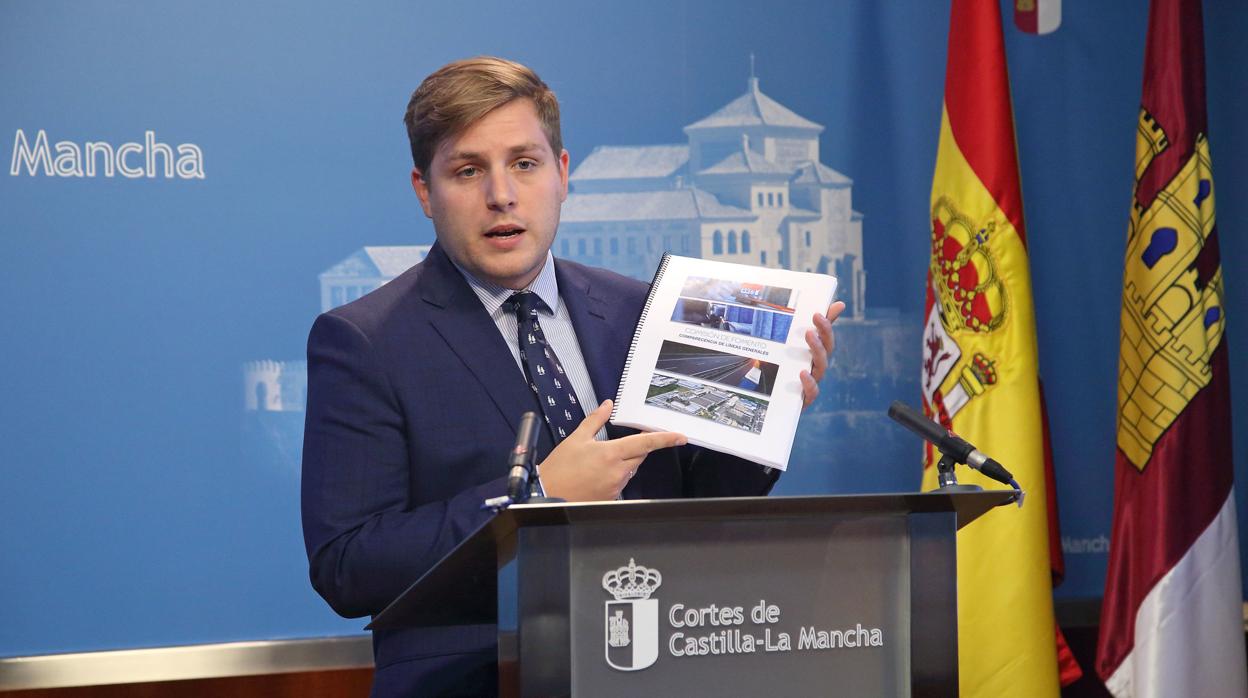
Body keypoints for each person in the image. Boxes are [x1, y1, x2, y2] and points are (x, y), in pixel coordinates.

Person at [301, 56, 845, 696]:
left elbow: (700, 498)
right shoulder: (365, 340)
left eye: (524, 164)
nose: (501, 195)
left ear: (563, 174)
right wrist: (535, 497)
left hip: (663, 665)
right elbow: (348, 565)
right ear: (425, 191)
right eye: (468, 170)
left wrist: (764, 409)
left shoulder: (642, 307)